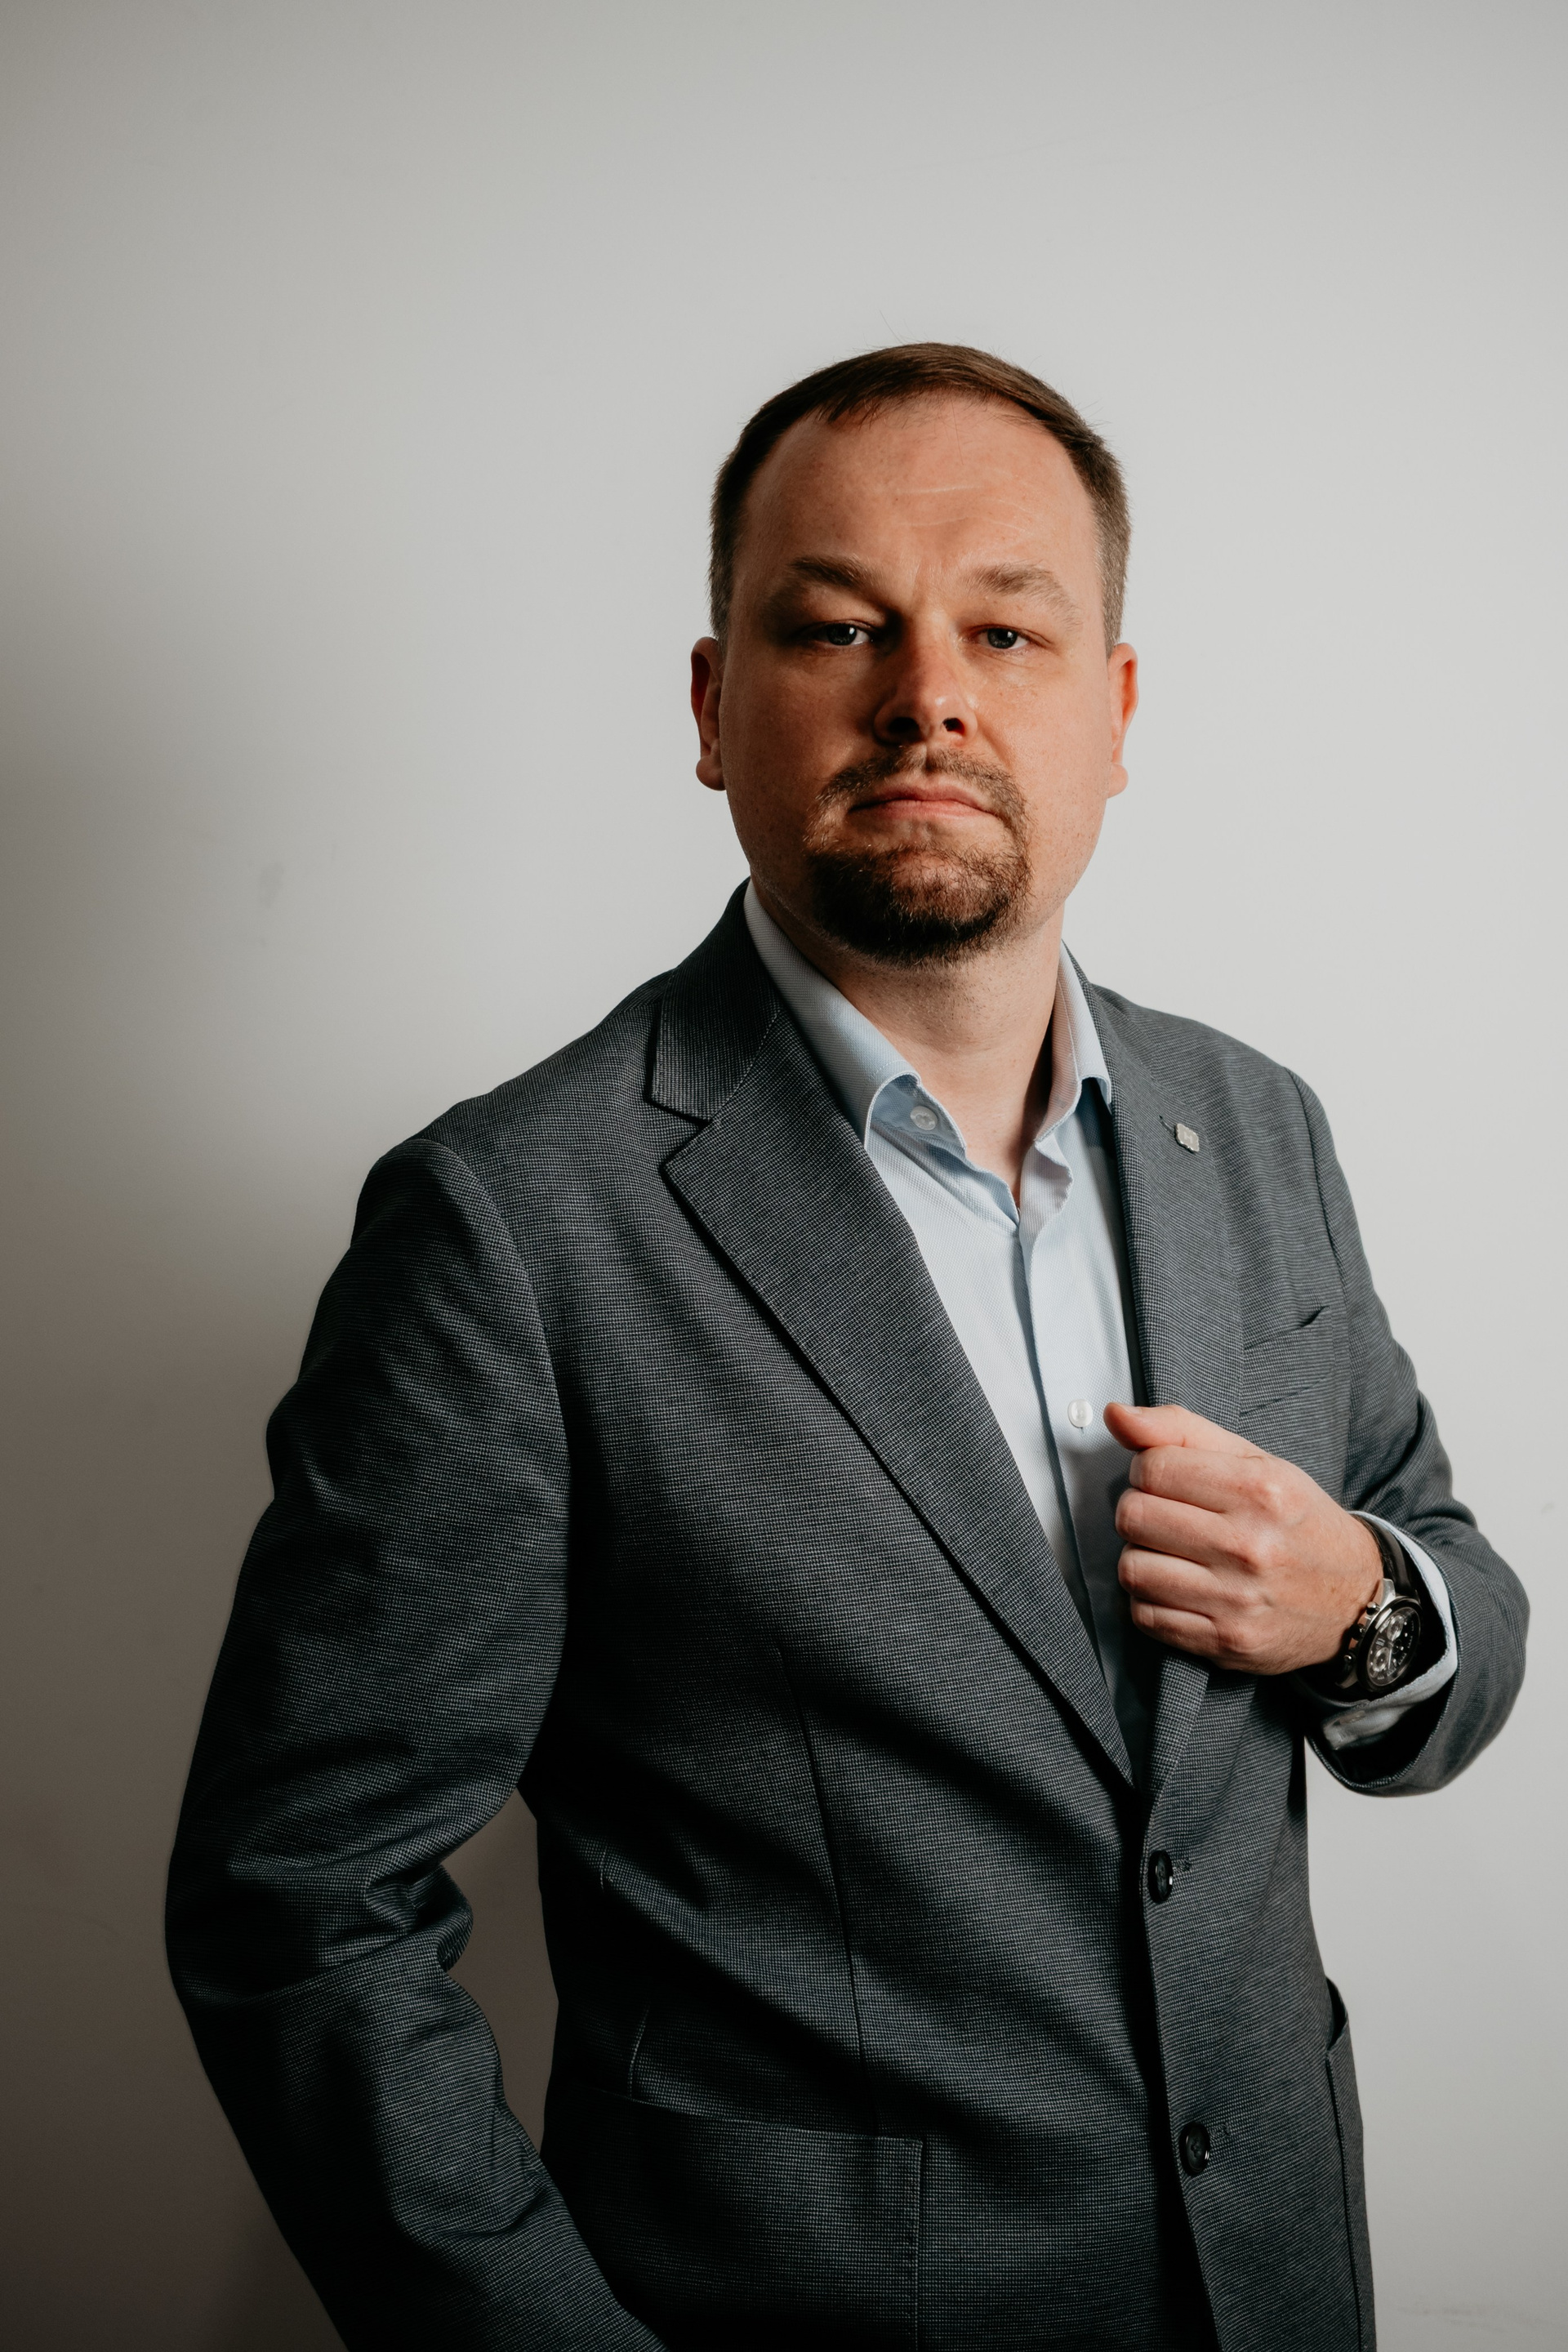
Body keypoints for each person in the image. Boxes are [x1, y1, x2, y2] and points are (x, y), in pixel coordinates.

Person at [167, 344, 1527, 2352]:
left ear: (1116, 714)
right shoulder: (511, 1230)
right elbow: (299, 1904)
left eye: (1006, 631)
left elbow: (1457, 1605)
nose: (930, 696)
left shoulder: (1257, 1129)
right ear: (712, 708)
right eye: (836, 627)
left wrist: (1362, 1606)